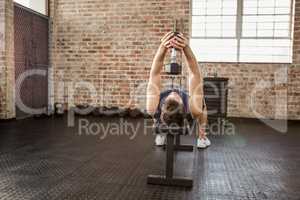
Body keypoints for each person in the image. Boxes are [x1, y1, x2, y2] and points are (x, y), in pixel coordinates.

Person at [146, 31, 210, 149]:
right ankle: (202, 137)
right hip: (182, 108)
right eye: (176, 97)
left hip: (161, 109)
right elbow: (195, 74)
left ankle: (201, 136)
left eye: (171, 97)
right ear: (183, 108)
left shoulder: (155, 107)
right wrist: (185, 47)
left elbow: (154, 74)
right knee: (200, 106)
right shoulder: (192, 110)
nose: (173, 92)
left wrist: (163, 47)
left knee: (151, 108)